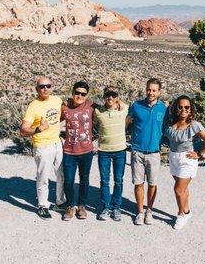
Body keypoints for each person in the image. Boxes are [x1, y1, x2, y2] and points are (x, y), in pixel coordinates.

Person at [164, 95, 205, 230]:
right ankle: (187, 212)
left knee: (178, 189)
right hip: (173, 158)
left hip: (187, 160)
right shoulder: (171, 124)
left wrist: (199, 153)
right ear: (176, 108)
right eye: (180, 107)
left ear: (191, 109)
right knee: (183, 189)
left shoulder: (194, 125)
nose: (184, 110)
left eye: (187, 107)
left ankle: (180, 215)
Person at [20, 76, 66, 220]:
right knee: (43, 177)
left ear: (52, 87)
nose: (45, 88)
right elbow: (23, 130)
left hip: (57, 143)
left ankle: (60, 201)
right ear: (37, 89)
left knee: (61, 174)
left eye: (48, 85)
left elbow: (66, 110)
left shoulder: (57, 100)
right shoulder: (34, 105)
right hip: (42, 145)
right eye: (42, 86)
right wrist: (38, 129)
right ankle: (43, 205)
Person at [126, 78, 168, 226]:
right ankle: (140, 212)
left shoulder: (163, 109)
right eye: (149, 89)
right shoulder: (136, 106)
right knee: (138, 183)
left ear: (159, 92)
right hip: (137, 151)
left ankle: (149, 211)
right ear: (146, 89)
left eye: (154, 90)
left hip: (154, 152)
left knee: (152, 184)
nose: (151, 92)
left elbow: (168, 128)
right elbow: (127, 122)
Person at [61, 81, 95, 221]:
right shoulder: (64, 107)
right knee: (68, 181)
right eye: (77, 93)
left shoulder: (92, 106)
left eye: (83, 94)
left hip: (86, 151)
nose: (79, 96)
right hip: (69, 151)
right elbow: (53, 118)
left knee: (84, 179)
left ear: (87, 95)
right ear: (72, 92)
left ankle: (81, 206)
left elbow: (111, 108)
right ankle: (70, 206)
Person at [94, 86, 128, 221]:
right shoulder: (98, 112)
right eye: (108, 95)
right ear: (104, 97)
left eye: (114, 95)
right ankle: (106, 207)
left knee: (118, 180)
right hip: (104, 152)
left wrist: (119, 102)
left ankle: (116, 207)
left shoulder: (123, 110)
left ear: (117, 97)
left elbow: (126, 105)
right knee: (104, 181)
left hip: (120, 151)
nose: (110, 97)